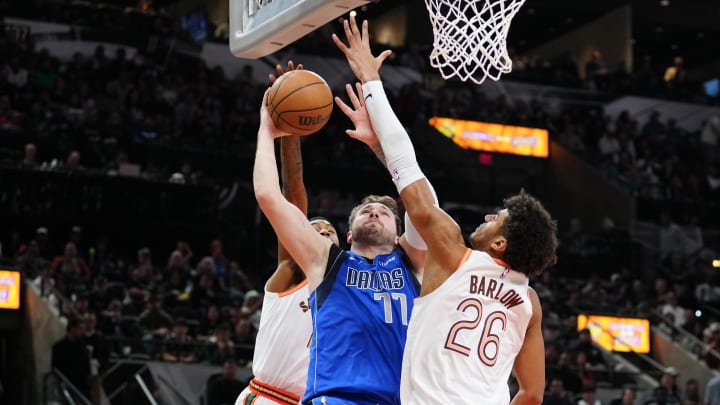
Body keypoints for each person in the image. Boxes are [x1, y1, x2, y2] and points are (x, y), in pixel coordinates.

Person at [333, 15, 557, 404]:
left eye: (496, 219)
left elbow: (415, 180)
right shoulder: (529, 302)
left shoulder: (453, 254)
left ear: (501, 242)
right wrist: (378, 149)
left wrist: (371, 81)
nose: (488, 217)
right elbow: (533, 393)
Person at [253, 61, 425, 403]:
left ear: (398, 235)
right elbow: (270, 196)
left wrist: (380, 147)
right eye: (365, 210)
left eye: (386, 213)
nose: (375, 211)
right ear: (348, 233)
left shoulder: (413, 262)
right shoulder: (325, 262)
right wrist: (267, 130)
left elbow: (420, 198)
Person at [237, 62, 342, 405]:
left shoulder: (349, 286)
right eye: (315, 228)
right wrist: (290, 130)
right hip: (268, 397)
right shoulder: (295, 270)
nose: (323, 230)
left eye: (330, 231)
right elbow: (294, 193)